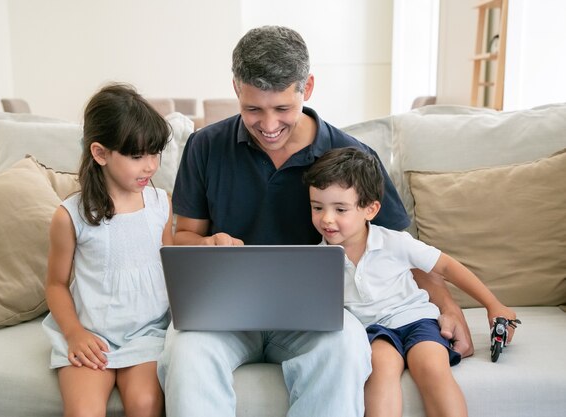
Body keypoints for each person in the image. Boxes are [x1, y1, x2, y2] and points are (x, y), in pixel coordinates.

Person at [157, 25, 471, 417]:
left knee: (345, 347)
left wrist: (446, 307)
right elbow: (183, 235)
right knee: (185, 351)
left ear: (306, 88)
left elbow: (397, 246)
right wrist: (206, 244)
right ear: (236, 88)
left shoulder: (352, 155)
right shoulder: (206, 146)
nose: (268, 125)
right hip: (225, 315)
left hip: (317, 319)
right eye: (253, 109)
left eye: (282, 109)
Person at [303, 147, 519, 417]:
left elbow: (447, 267)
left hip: (417, 320)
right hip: (374, 332)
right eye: (317, 207)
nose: (326, 219)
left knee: (431, 366)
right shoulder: (316, 260)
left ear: (370, 209)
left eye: (340, 209)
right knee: (380, 370)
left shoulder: (394, 242)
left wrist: (493, 304)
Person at [42, 83, 173, 417]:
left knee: (145, 404)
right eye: (137, 156)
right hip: (90, 332)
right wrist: (74, 333)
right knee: (84, 412)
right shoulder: (69, 216)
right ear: (100, 153)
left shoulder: (160, 204)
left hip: (146, 333)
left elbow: (171, 267)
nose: (150, 166)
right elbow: (56, 284)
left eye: (155, 153)